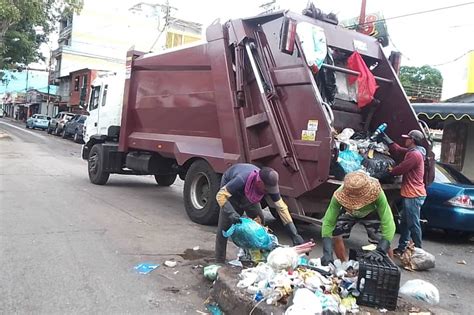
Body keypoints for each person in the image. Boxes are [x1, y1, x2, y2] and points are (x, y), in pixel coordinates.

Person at [215, 163, 304, 263]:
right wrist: (231, 213)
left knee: (259, 224)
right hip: (230, 194)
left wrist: (294, 233)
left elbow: (281, 207)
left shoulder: (270, 185)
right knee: (224, 227)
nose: (267, 192)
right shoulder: (241, 179)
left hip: (250, 193)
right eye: (266, 189)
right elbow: (220, 195)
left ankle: (255, 256)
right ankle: (219, 260)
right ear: (259, 182)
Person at [321, 171, 395, 265]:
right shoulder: (339, 195)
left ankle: (391, 267)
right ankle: (345, 266)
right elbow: (328, 222)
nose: (357, 205)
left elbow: (388, 220)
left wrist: (381, 249)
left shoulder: (376, 192)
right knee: (336, 234)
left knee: (383, 240)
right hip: (349, 212)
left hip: (371, 212)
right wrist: (327, 252)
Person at [382, 130, 426, 255]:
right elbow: (399, 149)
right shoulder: (414, 152)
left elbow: (401, 169)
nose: (405, 140)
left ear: (412, 140)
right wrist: (388, 140)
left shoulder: (415, 155)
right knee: (405, 223)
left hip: (414, 194)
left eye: (407, 138)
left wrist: (389, 172)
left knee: (413, 223)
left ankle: (418, 252)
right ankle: (402, 248)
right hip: (412, 193)